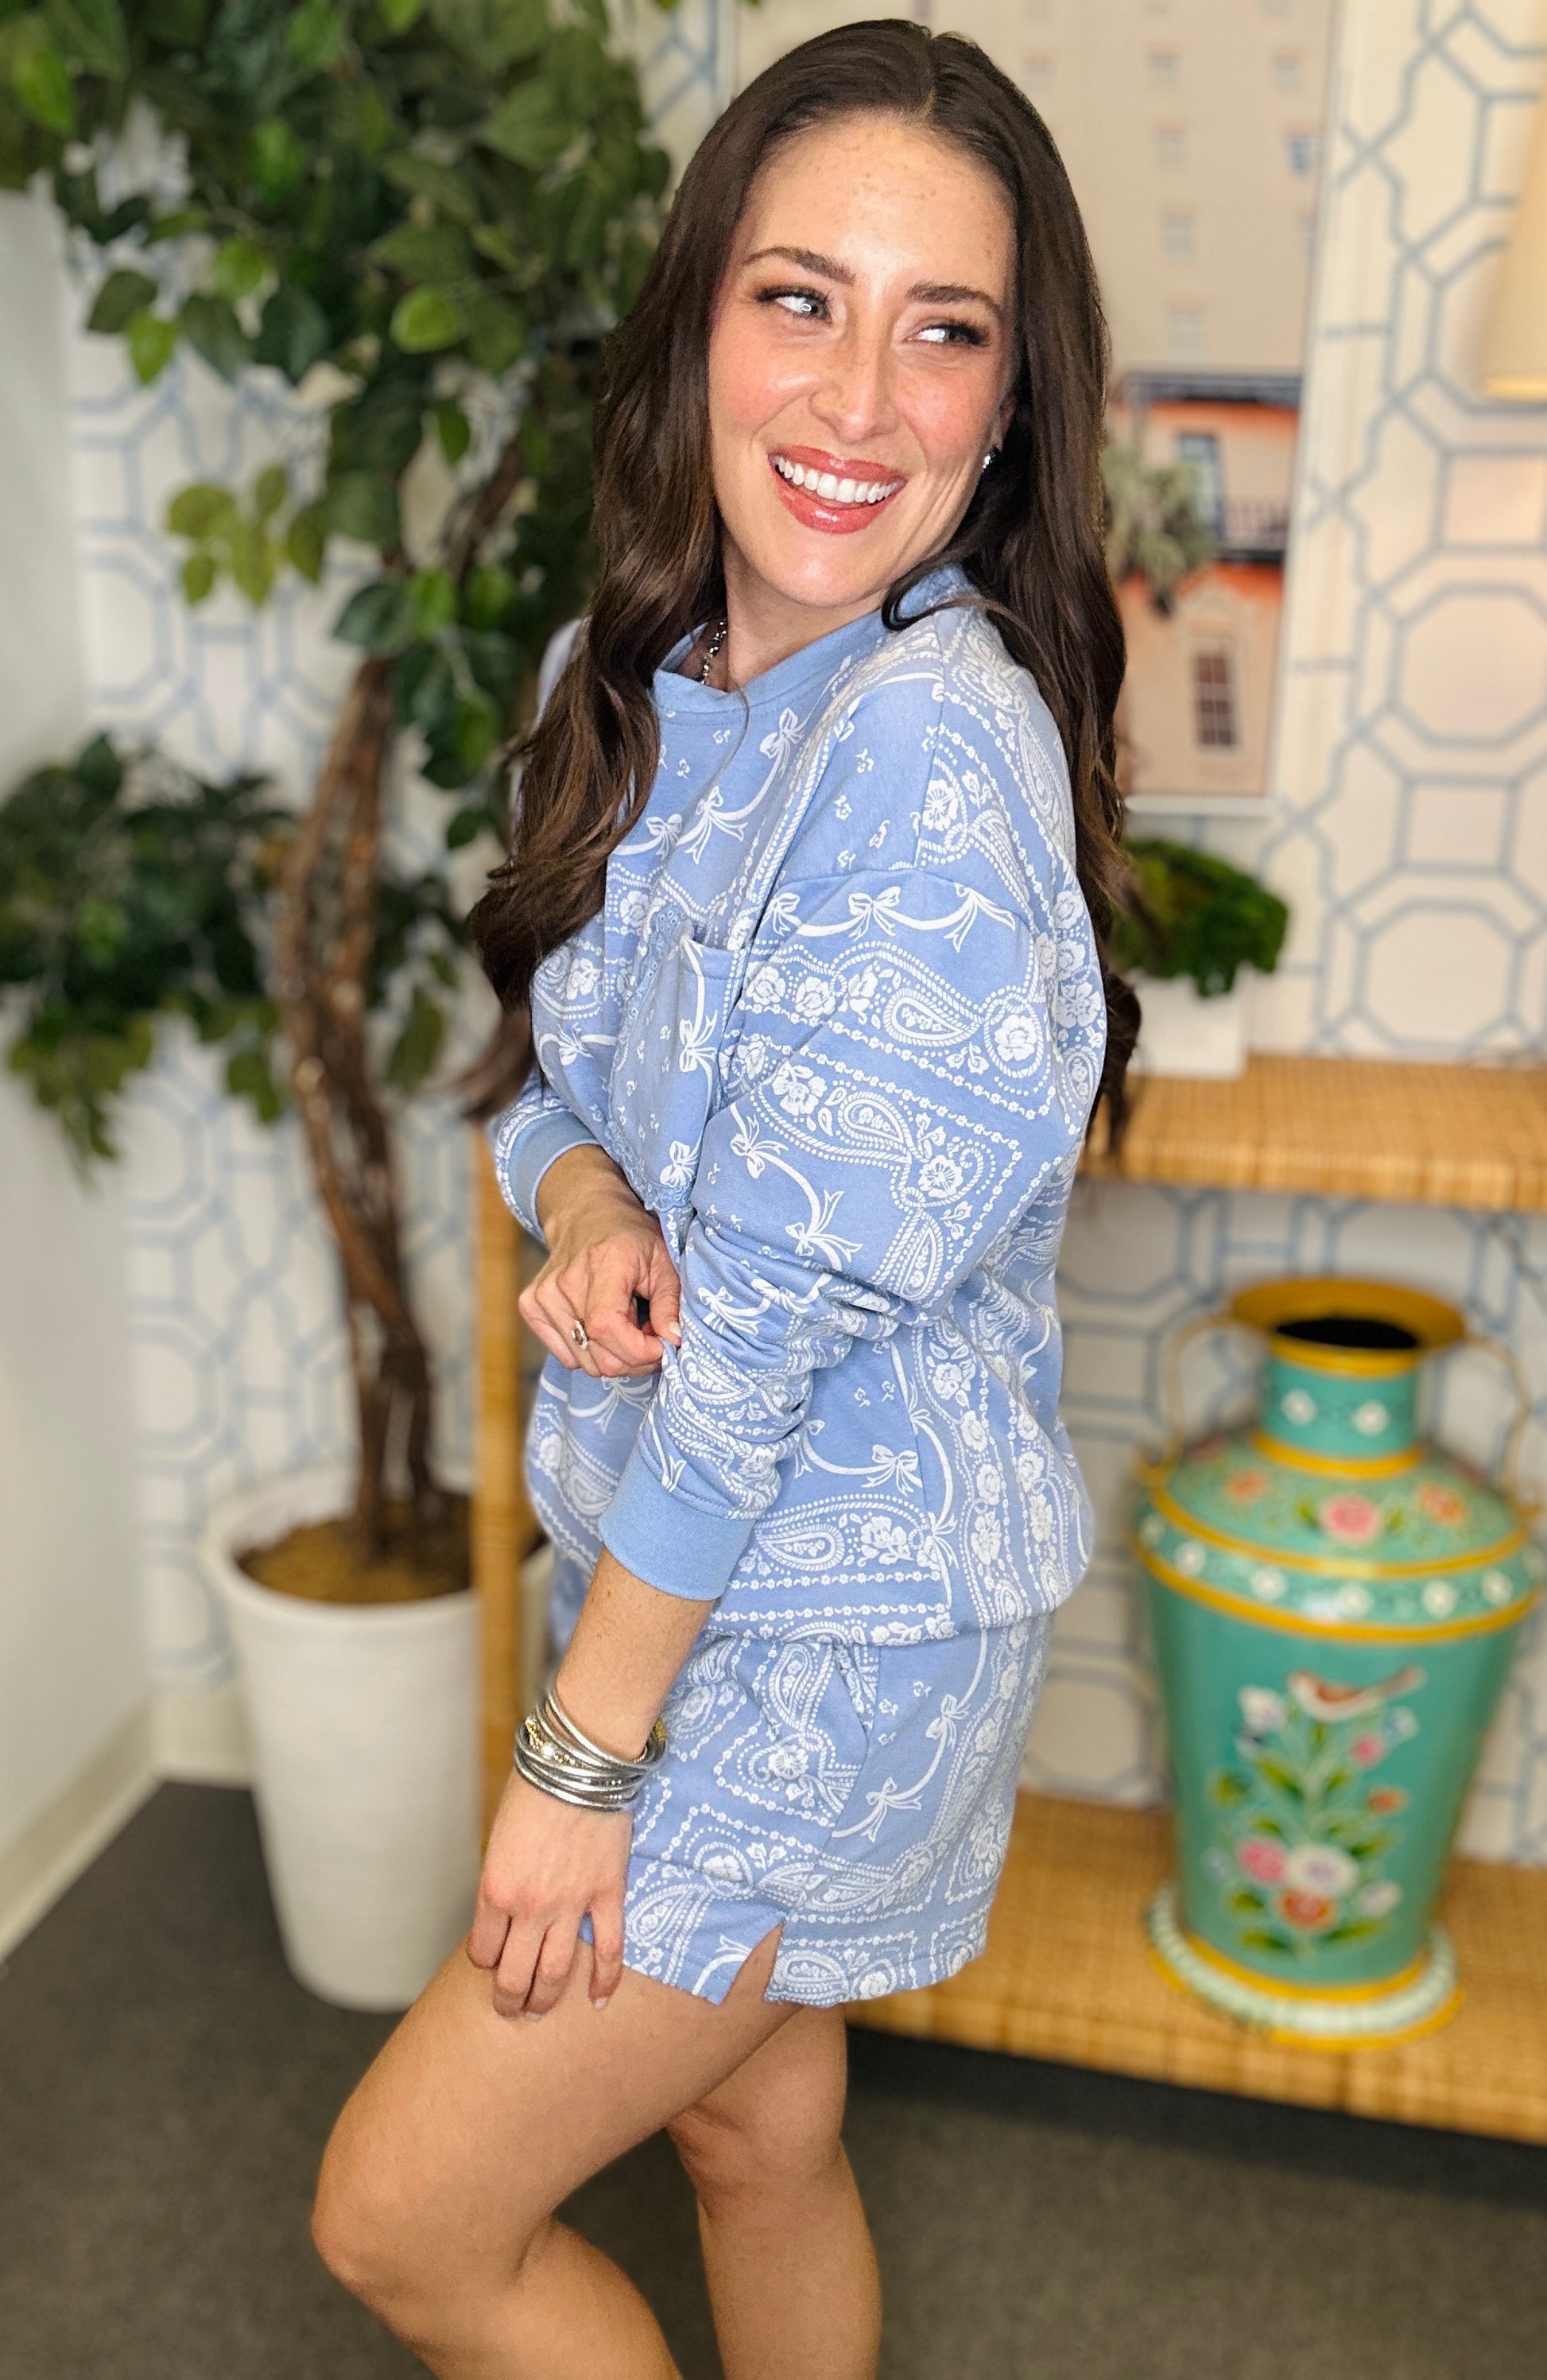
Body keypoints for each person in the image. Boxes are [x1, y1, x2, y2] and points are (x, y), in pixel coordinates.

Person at [312, 21, 1134, 2378]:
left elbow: (764, 1332)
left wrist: (577, 1762)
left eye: (942, 331)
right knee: (750, 2133)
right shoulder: (634, 673)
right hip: (668, 1569)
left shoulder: (934, 749)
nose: (859, 397)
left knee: (405, 2224)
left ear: (1009, 404)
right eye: (801, 299)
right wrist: (584, 1197)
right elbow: (537, 1082)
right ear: (696, 324)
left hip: (825, 1633)